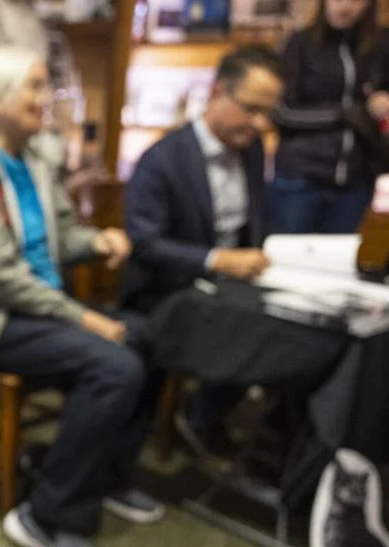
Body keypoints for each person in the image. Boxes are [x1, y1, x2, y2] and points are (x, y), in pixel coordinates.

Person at [0, 46, 162, 547]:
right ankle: (45, 516)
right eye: (32, 86)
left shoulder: (33, 158)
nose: (44, 98)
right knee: (114, 365)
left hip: (35, 306)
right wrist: (79, 317)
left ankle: (106, 476)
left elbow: (59, 236)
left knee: (149, 338)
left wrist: (98, 240)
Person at [121, 45, 284, 452]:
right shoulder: (162, 160)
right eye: (250, 109)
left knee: (294, 331)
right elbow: (144, 243)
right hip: (168, 291)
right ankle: (202, 417)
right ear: (216, 93)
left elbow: (253, 224)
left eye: (268, 113)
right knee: (262, 335)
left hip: (230, 287)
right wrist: (218, 261)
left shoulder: (249, 153)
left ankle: (207, 415)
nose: (260, 123)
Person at [269, 0, 389, 234]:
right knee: (290, 254)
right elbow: (280, 111)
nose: (345, 6)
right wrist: (344, 114)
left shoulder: (383, 42)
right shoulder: (300, 43)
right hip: (301, 176)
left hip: (358, 178)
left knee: (342, 256)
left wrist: (388, 101)